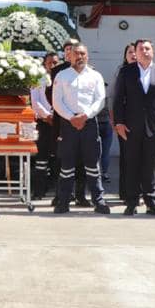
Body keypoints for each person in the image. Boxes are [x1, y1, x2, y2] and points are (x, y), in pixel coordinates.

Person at [112, 39, 155, 216]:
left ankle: (151, 201)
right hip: (130, 127)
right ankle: (131, 201)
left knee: (149, 165)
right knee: (131, 164)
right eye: (141, 49)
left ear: (152, 51)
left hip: (154, 127)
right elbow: (118, 100)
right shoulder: (126, 71)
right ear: (135, 53)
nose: (144, 51)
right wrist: (119, 123)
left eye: (148, 48)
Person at [53, 44, 109, 214]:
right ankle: (63, 202)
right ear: (69, 56)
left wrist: (85, 116)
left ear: (87, 56)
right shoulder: (62, 76)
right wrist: (72, 117)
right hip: (68, 124)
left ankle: (98, 201)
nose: (79, 57)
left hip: (89, 123)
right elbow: (57, 101)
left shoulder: (96, 76)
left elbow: (100, 100)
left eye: (83, 54)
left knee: (92, 165)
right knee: (67, 165)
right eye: (76, 53)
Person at [30, 51, 59, 200]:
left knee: (59, 158)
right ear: (44, 64)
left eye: (55, 62)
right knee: (41, 159)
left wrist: (57, 116)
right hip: (44, 122)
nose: (53, 65)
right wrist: (47, 115)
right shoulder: (38, 79)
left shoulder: (62, 78)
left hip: (60, 123)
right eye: (50, 63)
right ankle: (39, 191)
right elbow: (35, 101)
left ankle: (60, 193)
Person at [114, 43, 136, 202]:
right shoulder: (121, 72)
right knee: (126, 159)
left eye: (135, 52)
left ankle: (138, 192)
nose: (134, 55)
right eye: (130, 52)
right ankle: (125, 193)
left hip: (142, 123)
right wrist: (116, 121)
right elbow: (114, 99)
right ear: (125, 56)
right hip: (125, 122)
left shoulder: (145, 72)